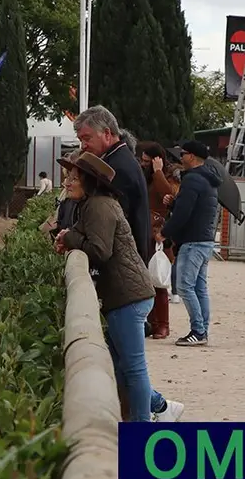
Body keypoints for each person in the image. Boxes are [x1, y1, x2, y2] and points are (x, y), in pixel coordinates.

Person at [54, 152, 183, 423]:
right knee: (119, 366)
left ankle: (142, 425)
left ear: (89, 181)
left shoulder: (98, 206)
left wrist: (71, 237)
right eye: (68, 177)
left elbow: (100, 250)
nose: (67, 182)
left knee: (133, 368)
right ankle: (162, 408)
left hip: (128, 297)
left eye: (74, 178)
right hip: (123, 296)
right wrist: (68, 237)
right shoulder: (93, 204)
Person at [160, 140, 221, 346]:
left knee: (184, 286)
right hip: (205, 239)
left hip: (193, 241)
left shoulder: (192, 179)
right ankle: (203, 329)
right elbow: (194, 207)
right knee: (199, 287)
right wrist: (175, 203)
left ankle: (198, 330)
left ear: (192, 156)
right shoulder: (209, 179)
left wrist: (165, 232)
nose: (180, 157)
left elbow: (184, 213)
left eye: (183, 154)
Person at [74, 105, 152, 264]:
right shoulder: (118, 159)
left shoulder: (116, 168)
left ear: (107, 134)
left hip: (124, 263)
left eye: (87, 138)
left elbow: (108, 221)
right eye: (81, 140)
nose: (83, 145)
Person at [137, 141, 180, 340]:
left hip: (158, 233)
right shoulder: (142, 175)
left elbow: (168, 194)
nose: (143, 164)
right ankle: (150, 322)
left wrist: (158, 172)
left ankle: (163, 324)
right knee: (144, 280)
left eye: (147, 161)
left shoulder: (168, 175)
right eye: (143, 160)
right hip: (142, 229)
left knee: (158, 279)